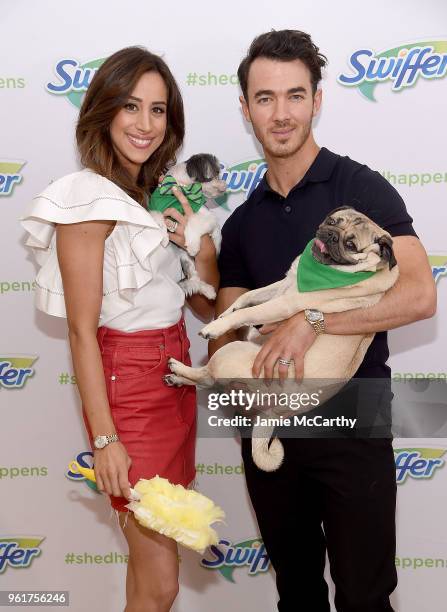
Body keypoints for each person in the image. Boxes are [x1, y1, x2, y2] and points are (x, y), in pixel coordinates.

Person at [210, 30, 436, 612]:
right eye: (265, 98)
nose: (280, 113)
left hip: (353, 416)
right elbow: (229, 324)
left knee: (364, 597)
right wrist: (192, 265)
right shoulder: (240, 224)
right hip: (267, 420)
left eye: (294, 95)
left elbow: (419, 296)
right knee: (298, 595)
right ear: (245, 108)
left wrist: (313, 318)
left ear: (317, 100)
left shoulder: (358, 187)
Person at [21, 47, 218, 612]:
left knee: (149, 568)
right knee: (161, 581)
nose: (145, 124)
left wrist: (191, 239)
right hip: (127, 388)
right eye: (131, 106)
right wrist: (105, 438)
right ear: (105, 110)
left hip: (175, 377)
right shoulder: (86, 199)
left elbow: (204, 303)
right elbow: (82, 332)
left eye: (159, 110)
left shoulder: (155, 198)